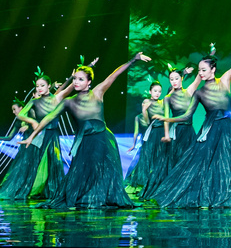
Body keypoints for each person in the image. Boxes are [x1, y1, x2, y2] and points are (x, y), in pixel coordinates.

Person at [155, 33, 231, 209]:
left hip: (226, 128)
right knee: (202, 163)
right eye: (199, 70)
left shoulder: (225, 80)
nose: (200, 73)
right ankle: (206, 196)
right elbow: (187, 116)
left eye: (203, 70)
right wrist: (167, 118)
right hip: (209, 130)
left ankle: (226, 194)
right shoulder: (199, 93)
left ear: (213, 69)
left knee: (228, 164)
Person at [24, 54, 150, 209]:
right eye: (75, 79)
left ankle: (100, 197)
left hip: (102, 139)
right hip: (84, 142)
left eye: (80, 79)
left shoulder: (97, 92)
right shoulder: (68, 102)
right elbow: (48, 117)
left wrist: (133, 60)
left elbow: (114, 75)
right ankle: (87, 197)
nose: (76, 82)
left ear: (89, 82)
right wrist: (32, 136)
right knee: (82, 173)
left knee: (103, 171)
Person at [0, 71, 73, 201]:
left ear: (49, 86)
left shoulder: (56, 98)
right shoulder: (34, 102)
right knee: (36, 163)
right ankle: (34, 189)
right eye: (37, 86)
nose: (39, 88)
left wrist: (75, 76)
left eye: (42, 85)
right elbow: (20, 115)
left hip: (52, 135)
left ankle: (48, 191)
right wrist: (32, 121)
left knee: (51, 164)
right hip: (39, 135)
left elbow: (68, 88)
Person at [141, 65, 198, 200]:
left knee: (190, 161)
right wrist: (166, 135)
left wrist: (209, 57)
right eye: (171, 79)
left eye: (176, 78)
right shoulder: (168, 97)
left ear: (182, 78)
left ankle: (189, 190)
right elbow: (166, 118)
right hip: (176, 132)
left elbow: (198, 78)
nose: (174, 81)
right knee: (176, 161)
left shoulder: (189, 91)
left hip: (189, 131)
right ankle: (175, 191)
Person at [125, 79, 165, 192]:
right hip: (153, 133)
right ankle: (144, 184)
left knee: (161, 158)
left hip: (163, 132)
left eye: (159, 91)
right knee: (148, 158)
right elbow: (147, 122)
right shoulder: (147, 102)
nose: (157, 93)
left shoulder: (162, 102)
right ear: (150, 91)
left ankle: (158, 183)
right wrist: (144, 110)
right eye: (155, 91)